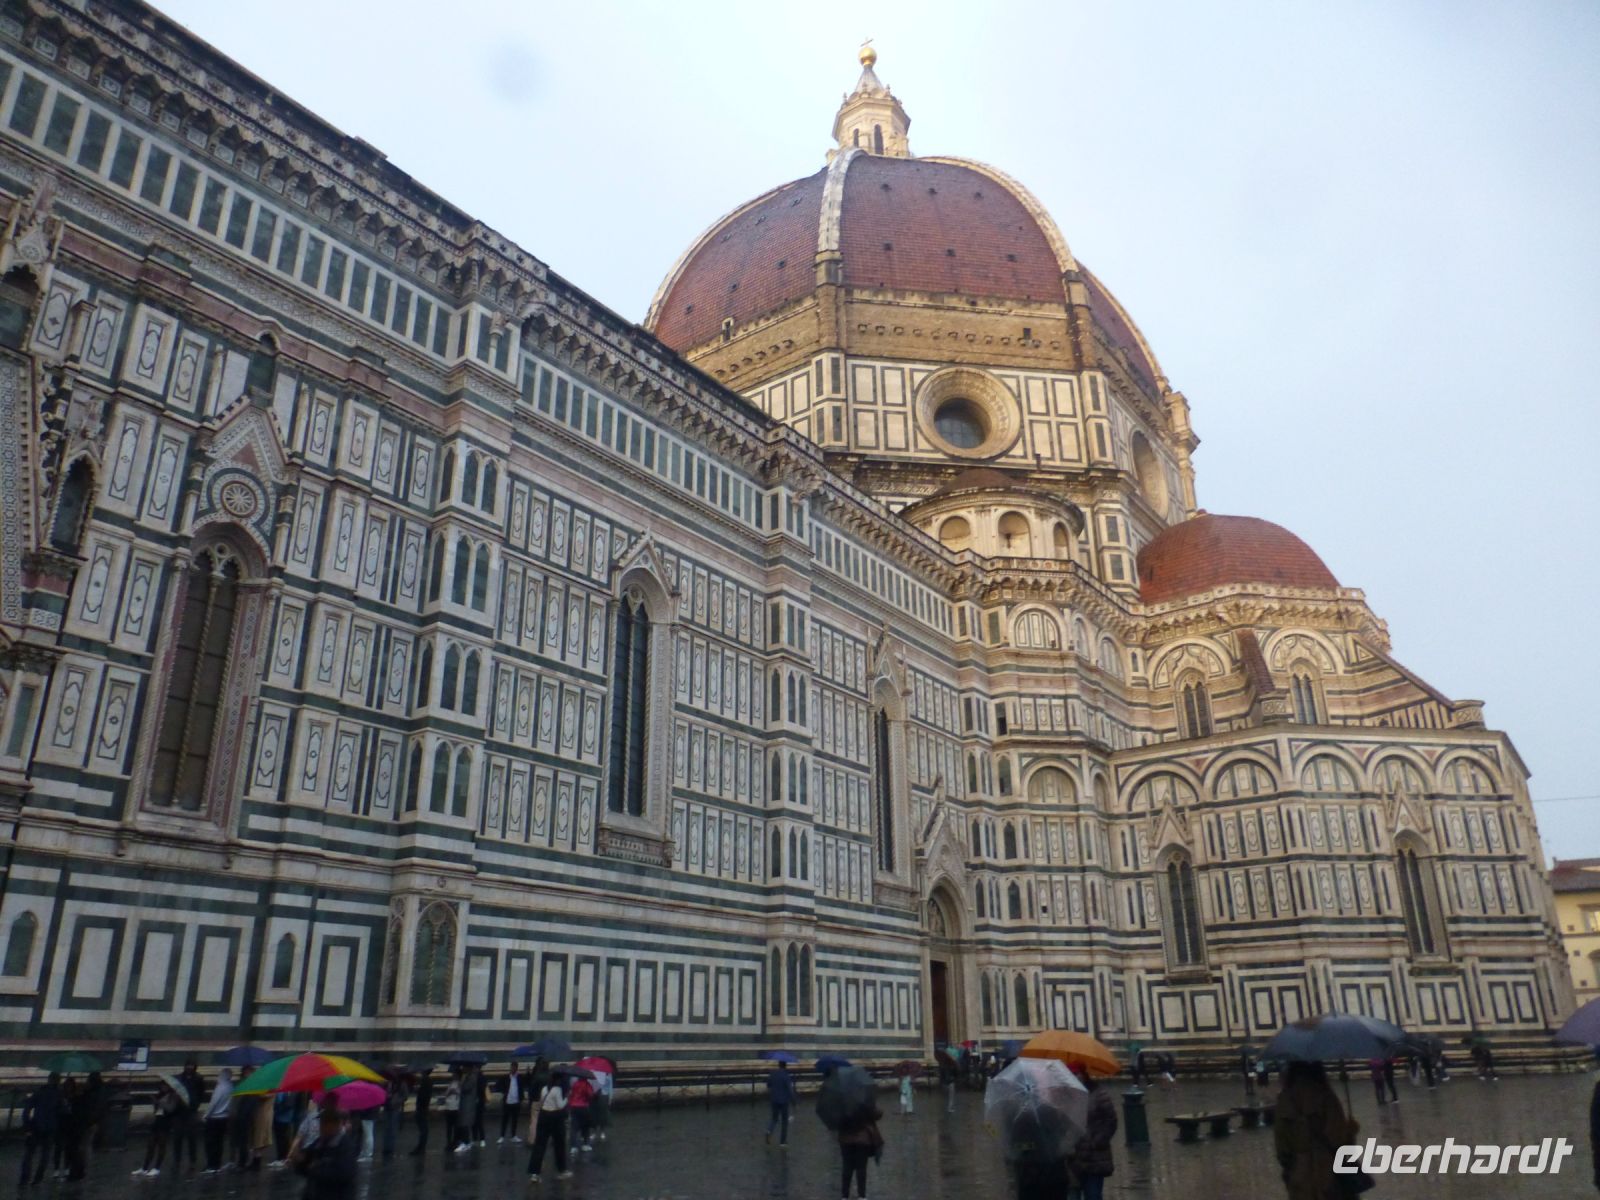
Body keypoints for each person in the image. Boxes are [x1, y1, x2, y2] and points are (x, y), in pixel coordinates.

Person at [1274, 1060, 1358, 1200]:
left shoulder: (1284, 1100)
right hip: (1329, 1174)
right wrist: (1351, 1132)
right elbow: (1338, 1140)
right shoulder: (1326, 1097)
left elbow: (1282, 1148)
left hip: (1299, 1177)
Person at [292, 1100, 359, 1200]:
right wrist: (300, 1161)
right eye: (321, 1122)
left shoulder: (345, 1146)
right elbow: (306, 1165)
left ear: (335, 1125)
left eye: (325, 1123)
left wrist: (315, 1168)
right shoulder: (320, 1142)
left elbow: (344, 1174)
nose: (321, 1127)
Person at [1067, 1066, 1117, 1200]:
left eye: (1076, 1073)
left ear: (1083, 1074)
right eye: (1070, 1074)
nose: (1074, 1077)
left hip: (1094, 1157)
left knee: (1093, 1195)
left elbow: (1111, 1120)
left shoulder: (1099, 1094)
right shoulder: (1065, 1096)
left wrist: (1097, 1141)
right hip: (1072, 1158)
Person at [19, 1072, 63, 1187]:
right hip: (51, 1127)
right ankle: (38, 1179)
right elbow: (63, 1112)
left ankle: (25, 1178)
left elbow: (27, 1110)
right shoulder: (59, 1095)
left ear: (49, 1080)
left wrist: (27, 1125)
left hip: (36, 1126)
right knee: (45, 1154)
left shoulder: (40, 1092)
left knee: (29, 1154)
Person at [527, 1074, 572, 1182]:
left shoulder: (544, 1089)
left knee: (539, 1145)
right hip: (555, 1117)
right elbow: (560, 1105)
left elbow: (541, 1101)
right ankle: (562, 1170)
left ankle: (534, 1173)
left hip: (544, 1116)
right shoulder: (557, 1090)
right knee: (559, 1145)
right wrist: (567, 1097)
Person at [836, 1098, 884, 1200]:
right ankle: (861, 1195)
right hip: (862, 1140)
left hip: (845, 1140)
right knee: (861, 1168)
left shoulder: (841, 1101)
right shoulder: (864, 1099)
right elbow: (877, 1114)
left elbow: (836, 1120)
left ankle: (844, 1196)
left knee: (847, 1167)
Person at [133, 1081, 183, 1177]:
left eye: (165, 1086)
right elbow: (156, 1109)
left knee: (161, 1145)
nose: (163, 1087)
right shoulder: (159, 1095)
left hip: (165, 1122)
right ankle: (144, 1167)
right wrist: (155, 1103)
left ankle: (157, 1168)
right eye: (162, 1086)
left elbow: (170, 1109)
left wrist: (158, 1102)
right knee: (151, 1145)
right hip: (157, 1120)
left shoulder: (173, 1096)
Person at [202, 1067, 234, 1173]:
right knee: (219, 1142)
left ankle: (211, 1165)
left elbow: (213, 1103)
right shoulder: (230, 1086)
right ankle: (217, 1164)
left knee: (211, 1143)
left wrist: (206, 1115)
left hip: (214, 1118)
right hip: (224, 1117)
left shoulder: (220, 1087)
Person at [176, 1062, 205, 1171]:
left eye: (191, 1066)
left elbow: (201, 1093)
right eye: (187, 1065)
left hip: (191, 1110)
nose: (189, 1068)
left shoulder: (198, 1079)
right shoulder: (179, 1078)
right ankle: (177, 1159)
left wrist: (196, 1104)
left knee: (192, 1137)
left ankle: (192, 1160)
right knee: (178, 1137)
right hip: (179, 1110)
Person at [765, 1061, 795, 1146]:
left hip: (774, 1100)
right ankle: (782, 1142)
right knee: (784, 1121)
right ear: (785, 1066)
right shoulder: (786, 1076)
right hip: (784, 1101)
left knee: (774, 1118)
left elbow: (768, 1085)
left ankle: (769, 1130)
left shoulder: (773, 1074)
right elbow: (790, 1090)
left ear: (779, 1065)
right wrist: (794, 1102)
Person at [454, 1067, 480, 1153]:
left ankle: (465, 1143)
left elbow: (465, 1088)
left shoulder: (471, 1077)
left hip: (467, 1104)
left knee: (464, 1123)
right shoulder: (468, 1077)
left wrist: (461, 1082)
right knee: (463, 1123)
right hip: (465, 1103)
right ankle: (466, 1141)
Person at [568, 1075, 595, 1152]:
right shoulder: (587, 1084)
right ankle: (585, 1145)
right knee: (585, 1126)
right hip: (583, 1107)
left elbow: (571, 1094)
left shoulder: (575, 1084)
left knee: (574, 1127)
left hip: (574, 1106)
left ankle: (573, 1147)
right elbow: (591, 1095)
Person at [409, 1068, 433, 1156]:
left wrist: (418, 1090)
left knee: (423, 1129)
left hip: (422, 1107)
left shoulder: (425, 1081)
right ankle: (421, 1147)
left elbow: (423, 1095)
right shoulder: (427, 1081)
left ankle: (421, 1147)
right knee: (423, 1128)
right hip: (423, 1107)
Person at [498, 1063, 523, 1144]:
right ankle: (502, 1136)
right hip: (508, 1101)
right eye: (512, 1067)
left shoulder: (519, 1077)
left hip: (516, 1101)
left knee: (515, 1120)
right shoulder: (506, 1077)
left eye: (515, 1068)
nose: (513, 1069)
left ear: (517, 1068)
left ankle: (513, 1136)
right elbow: (499, 1085)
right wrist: (504, 1092)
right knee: (505, 1119)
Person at [441, 1069, 461, 1153]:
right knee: (449, 1127)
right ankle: (449, 1142)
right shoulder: (450, 1084)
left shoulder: (460, 1084)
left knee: (455, 1126)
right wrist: (449, 1093)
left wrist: (455, 1092)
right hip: (449, 1107)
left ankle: (455, 1142)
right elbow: (446, 1094)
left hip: (456, 1107)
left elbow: (461, 1094)